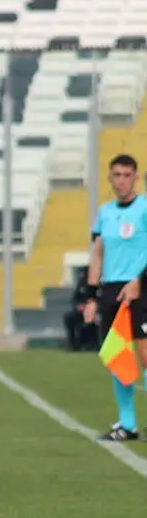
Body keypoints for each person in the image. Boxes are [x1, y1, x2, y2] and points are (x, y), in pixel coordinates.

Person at [82, 154, 147, 440]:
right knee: (118, 356)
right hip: (111, 290)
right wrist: (91, 295)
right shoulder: (105, 212)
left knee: (145, 355)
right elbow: (98, 253)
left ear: (135, 178)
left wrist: (138, 281)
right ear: (109, 178)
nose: (121, 180)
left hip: (141, 288)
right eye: (116, 175)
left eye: (126, 175)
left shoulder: (145, 208)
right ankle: (127, 424)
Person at [63, 266, 99, 352]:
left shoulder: (99, 283)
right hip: (81, 312)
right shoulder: (81, 284)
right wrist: (78, 305)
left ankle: (95, 344)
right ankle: (73, 344)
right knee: (69, 318)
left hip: (96, 312)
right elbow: (74, 299)